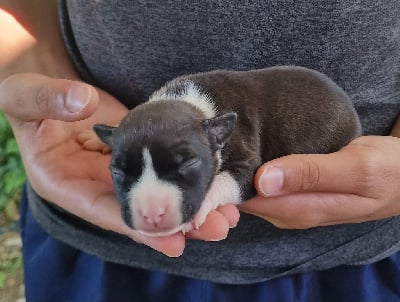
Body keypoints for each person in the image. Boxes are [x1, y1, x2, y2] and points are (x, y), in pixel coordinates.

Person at [1, 0, 400, 301]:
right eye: (125, 170)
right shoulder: (174, 116)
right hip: (102, 249)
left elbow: (242, 174)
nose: (152, 209)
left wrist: (210, 196)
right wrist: (41, 65)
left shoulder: (228, 128)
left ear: (217, 137)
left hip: (353, 249)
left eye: (183, 164)